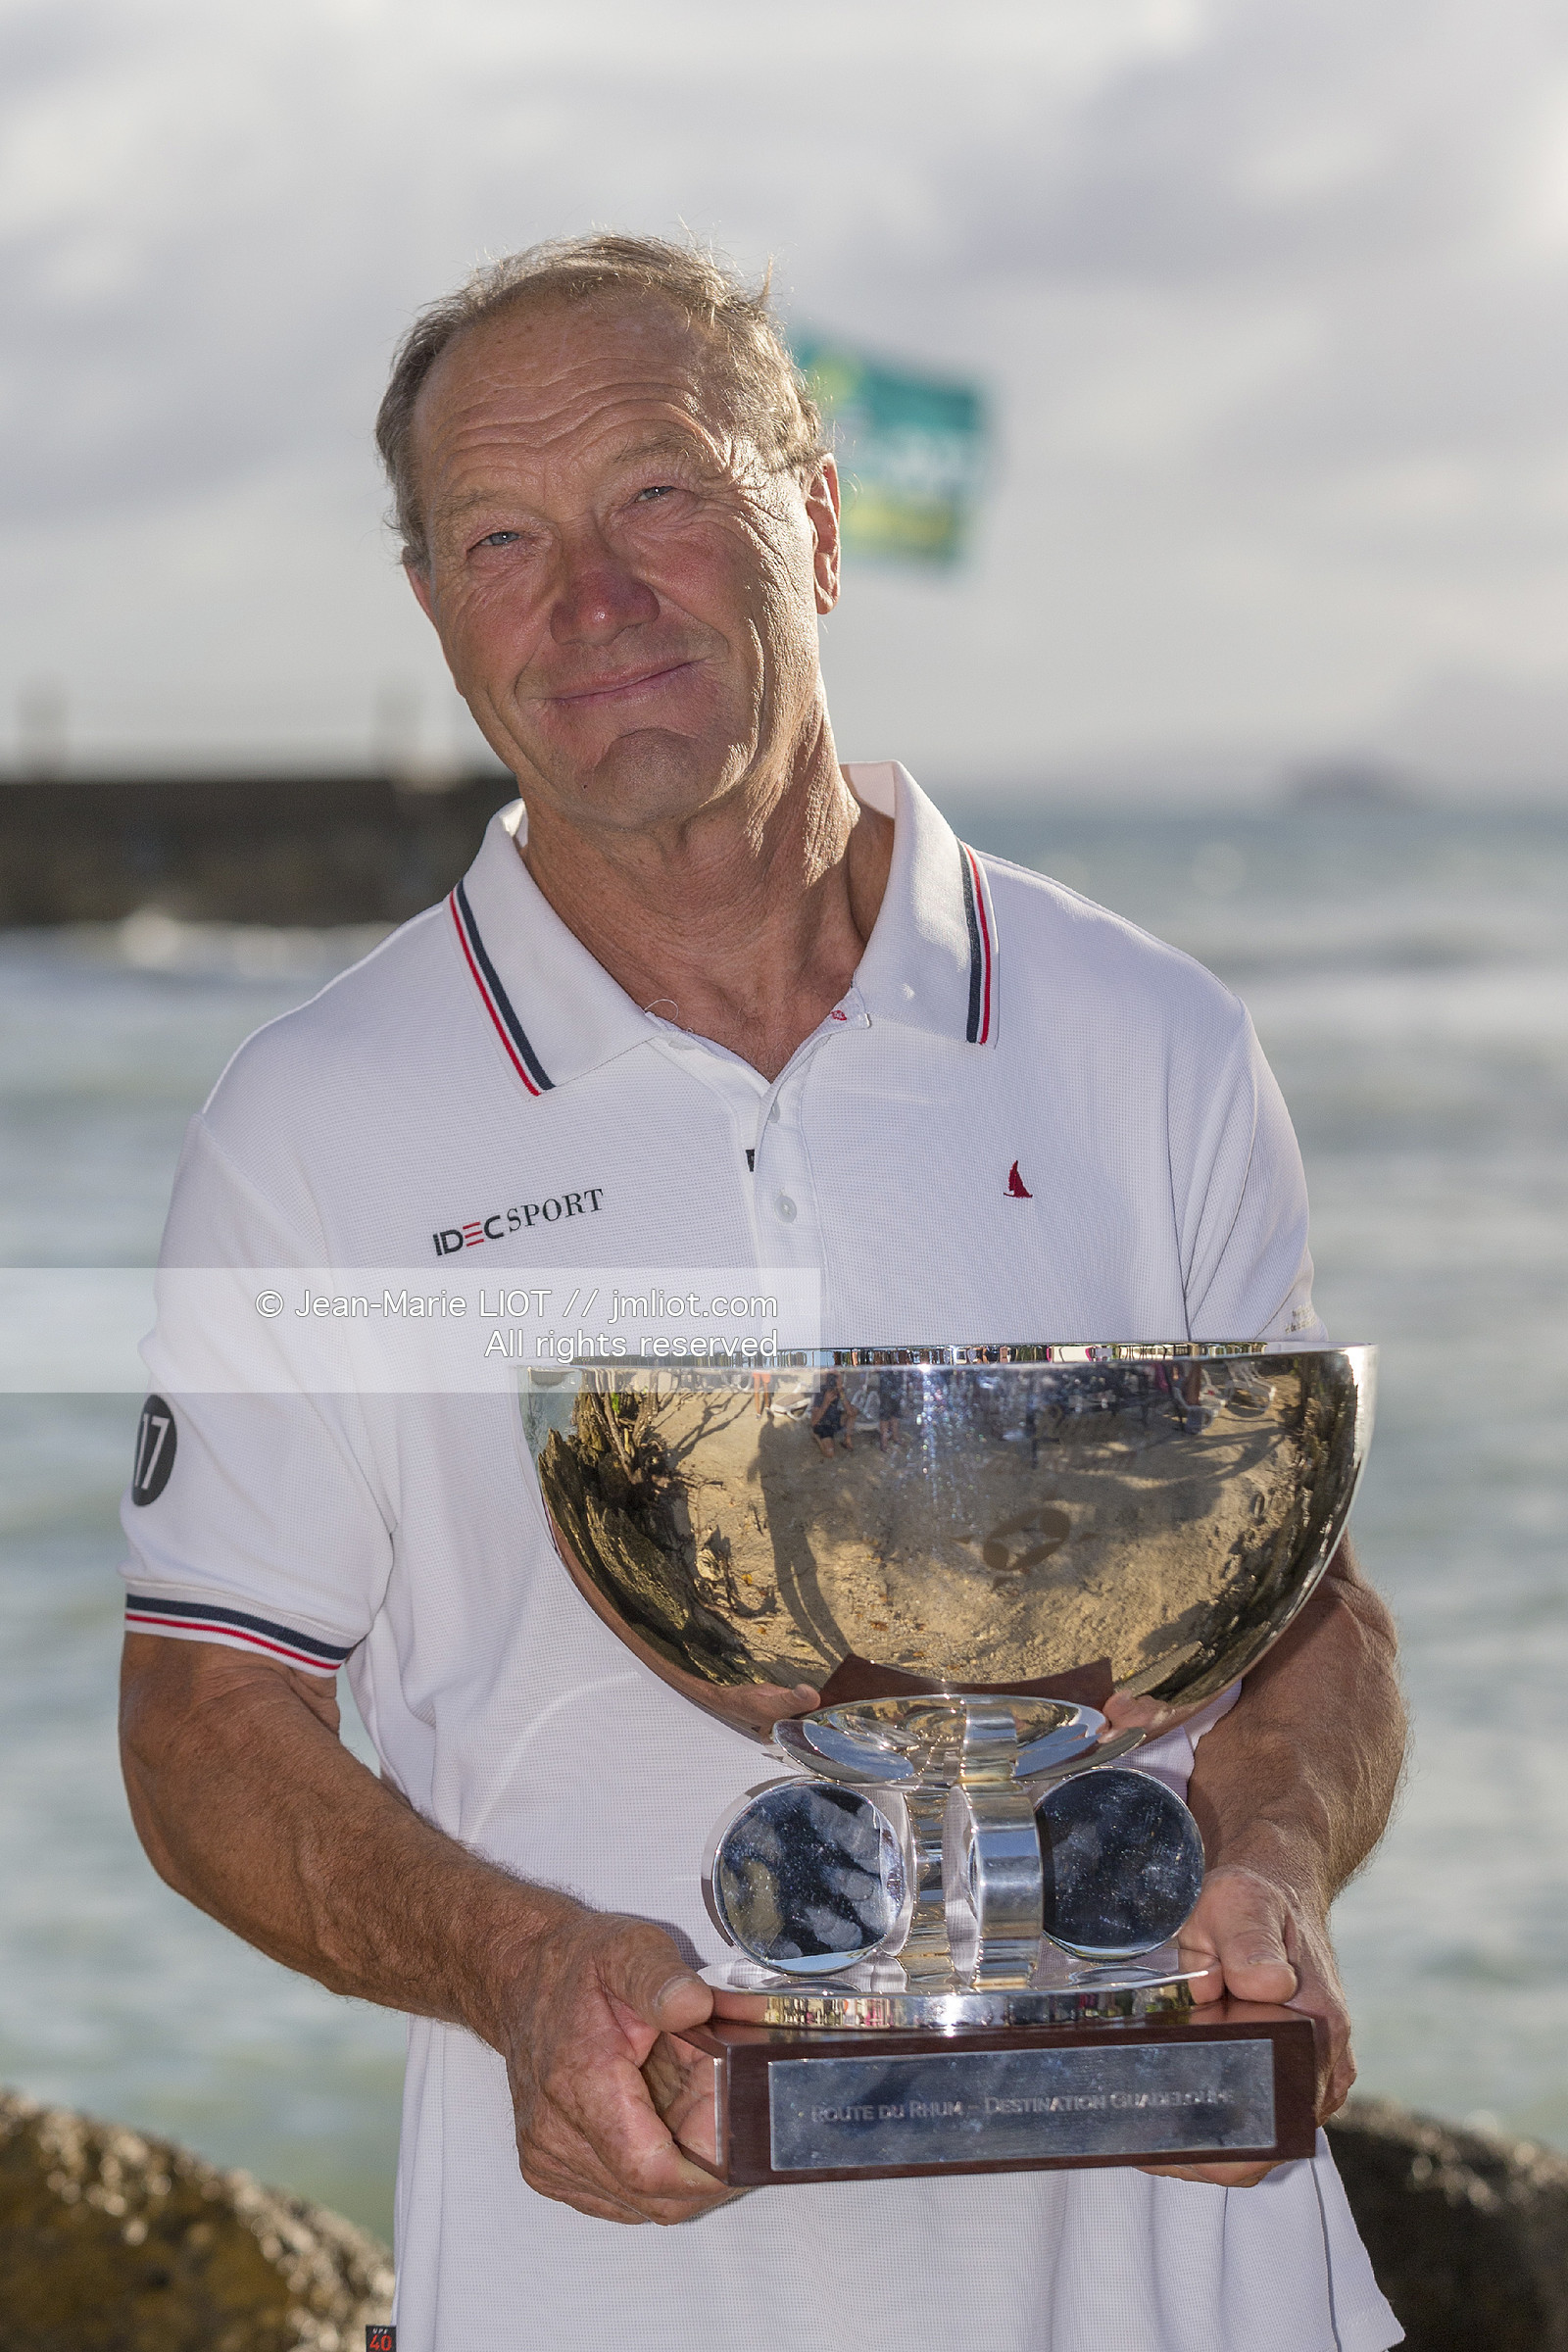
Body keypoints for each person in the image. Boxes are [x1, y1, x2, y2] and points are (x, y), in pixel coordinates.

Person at [118, 234, 1405, 2352]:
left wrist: (1263, 1877)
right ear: (438, 611)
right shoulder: (313, 1122)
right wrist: (516, 1970)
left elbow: (1306, 1614)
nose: (590, 598)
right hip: (607, 2303)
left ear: (808, 519)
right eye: (498, 539)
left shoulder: (1145, 1036)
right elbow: (202, 1727)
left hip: (1191, 2294)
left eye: (658, 493)